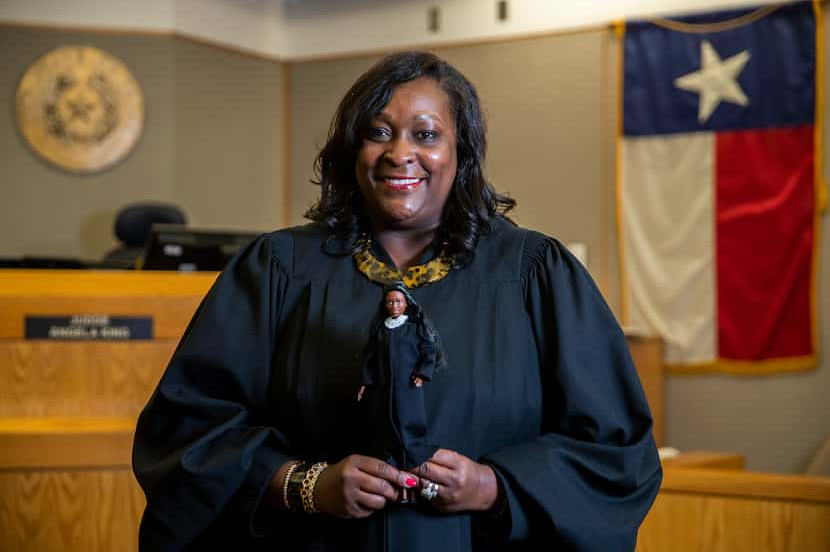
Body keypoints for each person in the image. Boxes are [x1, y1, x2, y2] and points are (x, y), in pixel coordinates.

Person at [133, 51, 662, 552]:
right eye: (378, 132)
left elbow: (614, 452)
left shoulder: (533, 272)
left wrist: (492, 486)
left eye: (426, 134)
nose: (399, 153)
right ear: (352, 149)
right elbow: (186, 433)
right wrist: (307, 485)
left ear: (462, 152)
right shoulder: (277, 269)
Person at [357, 283, 446, 501]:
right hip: (384, 390)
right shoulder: (380, 331)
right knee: (386, 428)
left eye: (398, 301)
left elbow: (428, 352)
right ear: (384, 304)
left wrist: (422, 374)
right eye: (390, 301)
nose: (394, 305)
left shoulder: (414, 329)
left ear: (406, 303)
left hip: (408, 389)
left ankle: (420, 483)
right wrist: (365, 383)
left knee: (408, 426)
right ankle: (400, 487)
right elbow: (369, 359)